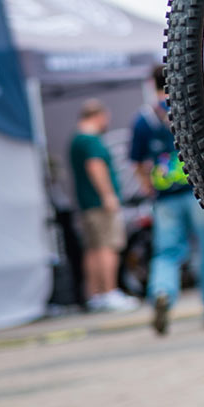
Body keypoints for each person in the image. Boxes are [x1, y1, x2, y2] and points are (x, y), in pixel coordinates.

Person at [132, 63, 204, 333]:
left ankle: (162, 291)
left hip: (165, 196)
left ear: (151, 84)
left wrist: (149, 187)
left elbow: (138, 163)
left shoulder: (144, 118)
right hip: (199, 192)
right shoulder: (190, 107)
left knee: (166, 252)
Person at [68, 100, 135, 313]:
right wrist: (108, 195)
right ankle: (109, 292)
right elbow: (95, 167)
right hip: (100, 204)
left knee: (92, 249)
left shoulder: (76, 140)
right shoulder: (91, 141)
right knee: (108, 247)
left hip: (87, 204)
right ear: (98, 116)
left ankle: (95, 295)